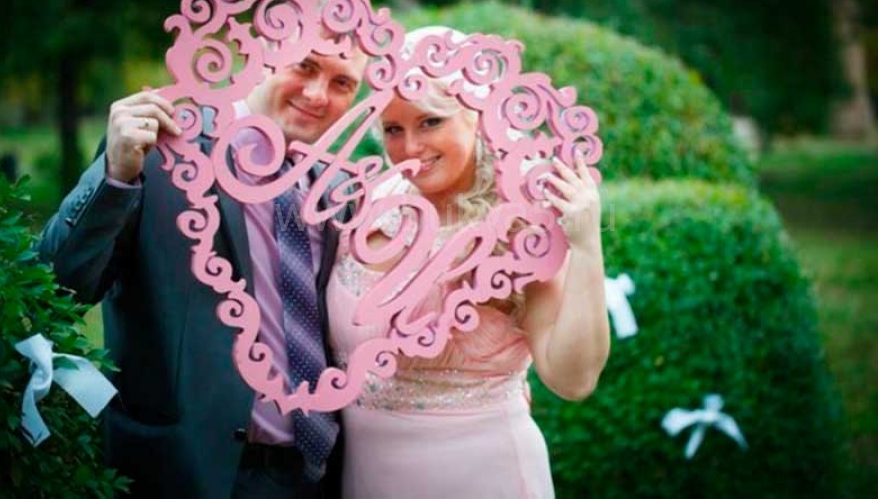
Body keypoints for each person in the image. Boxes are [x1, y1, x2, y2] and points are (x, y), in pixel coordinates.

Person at [37, 40, 369, 498]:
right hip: (187, 468)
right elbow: (56, 288)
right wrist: (114, 176)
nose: (317, 94)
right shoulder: (162, 153)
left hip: (314, 475)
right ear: (263, 53)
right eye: (305, 66)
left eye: (342, 82)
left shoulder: (341, 188)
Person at [326, 27, 610, 498]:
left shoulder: (520, 225)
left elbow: (572, 379)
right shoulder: (369, 204)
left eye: (430, 122)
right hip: (364, 477)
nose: (410, 148)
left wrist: (586, 244)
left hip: (482, 475)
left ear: (477, 116)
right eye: (394, 129)